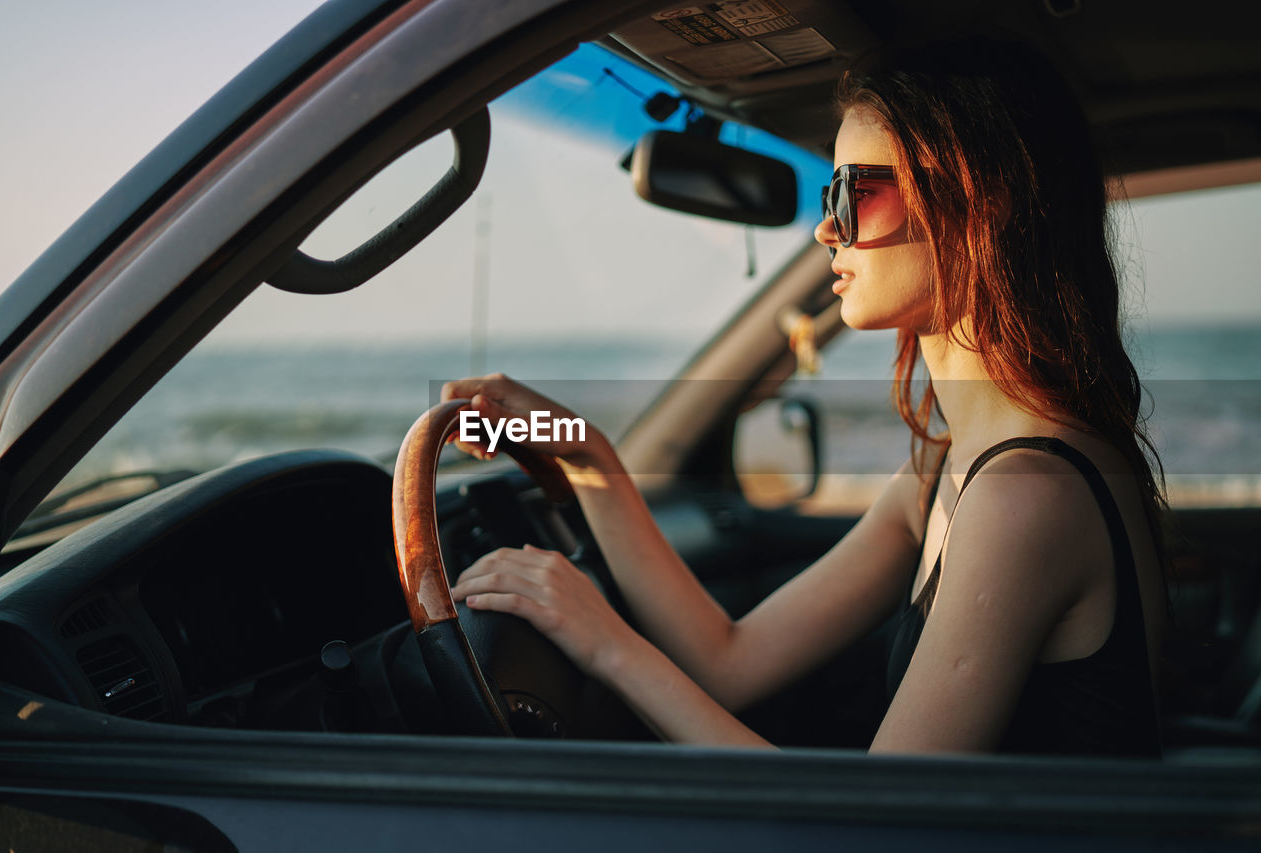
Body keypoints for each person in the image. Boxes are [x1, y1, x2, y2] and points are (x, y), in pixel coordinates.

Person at [440, 40, 1166, 756]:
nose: (827, 227)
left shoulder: (1027, 493)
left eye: (855, 193)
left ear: (981, 202)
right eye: (830, 194)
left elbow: (866, 828)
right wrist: (587, 452)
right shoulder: (947, 474)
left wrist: (606, 643)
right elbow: (730, 659)